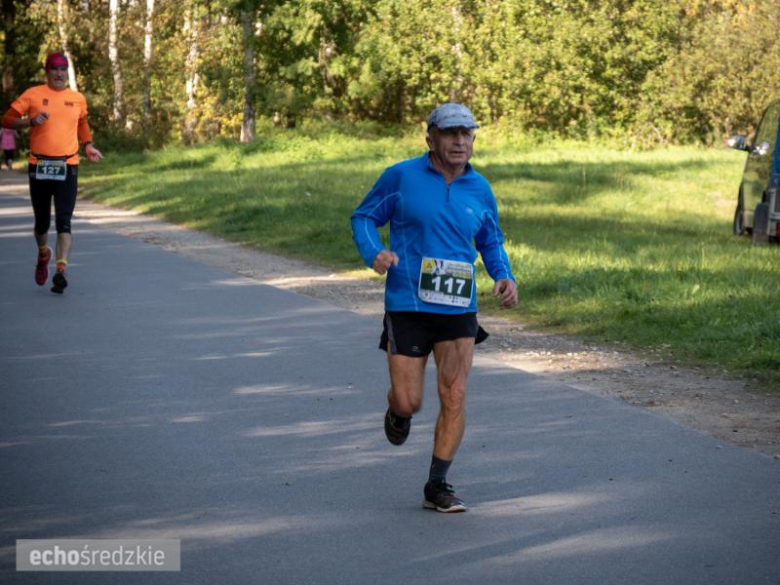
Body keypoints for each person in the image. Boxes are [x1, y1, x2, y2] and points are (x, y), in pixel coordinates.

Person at [351, 103, 518, 513]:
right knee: (411, 401)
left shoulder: (480, 188)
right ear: (431, 138)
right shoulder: (402, 177)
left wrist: (503, 274)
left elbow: (490, 239)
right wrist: (374, 252)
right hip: (408, 302)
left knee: (455, 393)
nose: (460, 141)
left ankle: (437, 484)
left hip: (458, 304)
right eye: (450, 133)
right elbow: (363, 217)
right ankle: (397, 410)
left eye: (467, 134)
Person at [1, 52, 103, 294]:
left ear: (66, 71)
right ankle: (43, 253)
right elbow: (6, 120)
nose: (59, 73)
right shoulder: (33, 94)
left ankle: (61, 271)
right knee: (42, 223)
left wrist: (88, 145)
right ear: (47, 71)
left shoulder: (77, 98)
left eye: (63, 69)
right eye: (54, 69)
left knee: (64, 221)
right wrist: (29, 122)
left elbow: (82, 122)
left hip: (68, 165)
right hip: (40, 164)